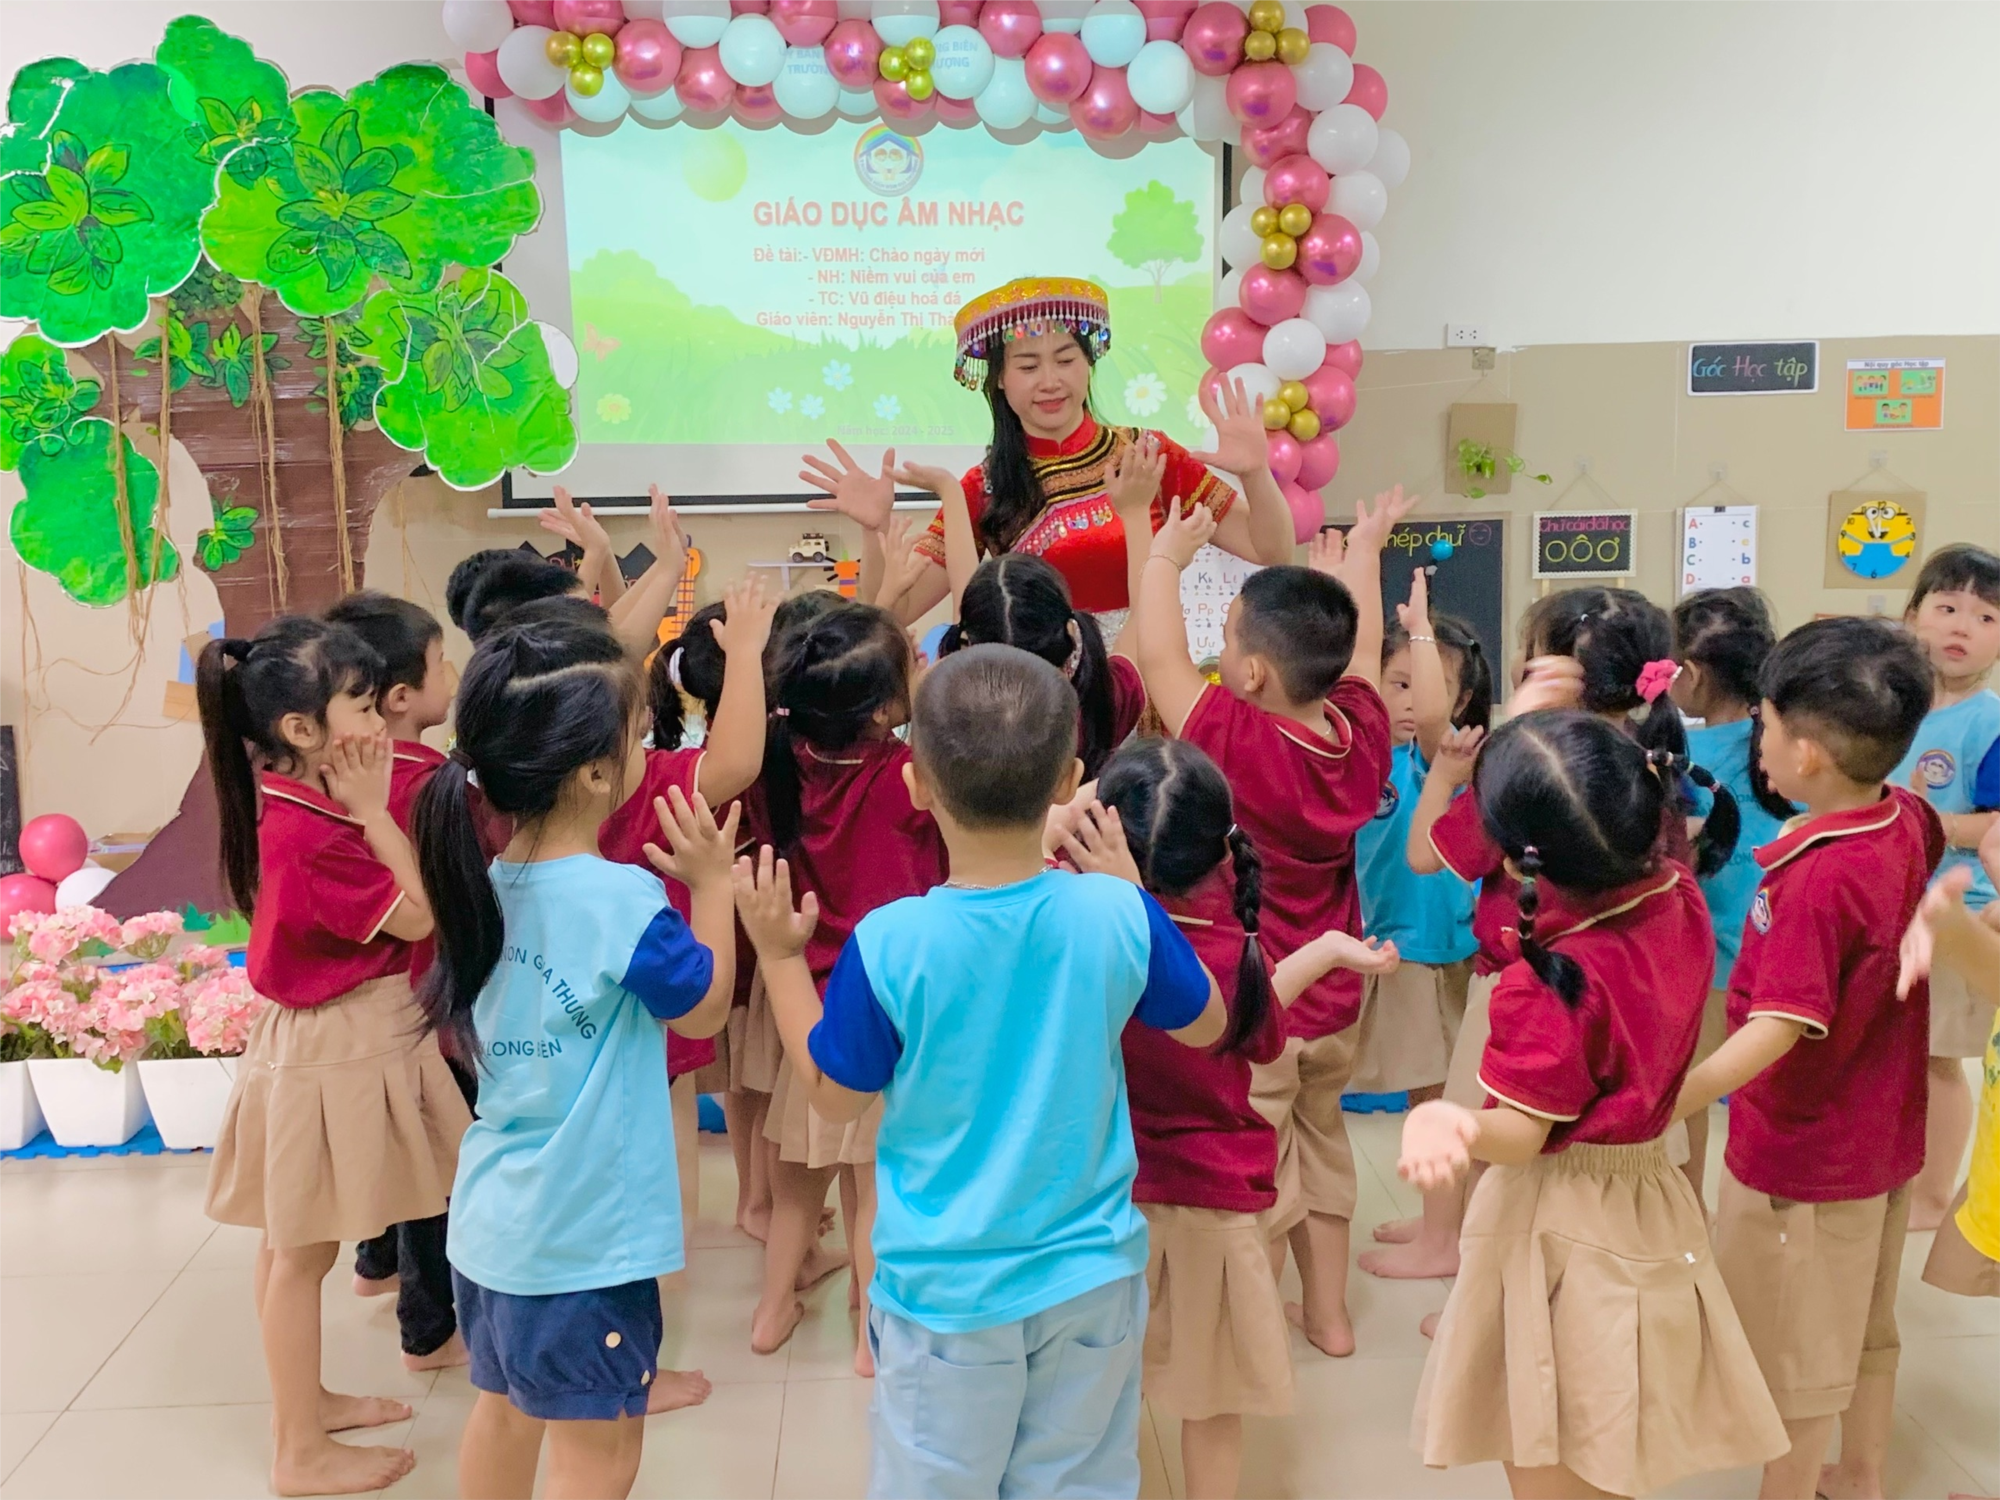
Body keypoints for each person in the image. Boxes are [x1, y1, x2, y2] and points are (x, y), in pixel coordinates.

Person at [733, 644, 1227, 1500]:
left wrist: (780, 959)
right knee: (1079, 1484)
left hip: (945, 1296)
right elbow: (1209, 1023)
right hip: (1091, 1279)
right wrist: (1134, 895)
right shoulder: (1117, 910)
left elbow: (834, 1097)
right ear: (1069, 778)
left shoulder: (890, 944)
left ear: (917, 784)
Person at [1402, 710, 1786, 1500]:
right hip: (1654, 1196)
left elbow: (1523, 1133)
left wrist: (1453, 1120)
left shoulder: (1548, 983)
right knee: (1617, 1432)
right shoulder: (1678, 895)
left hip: (1561, 1214)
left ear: (1513, 859)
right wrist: (1674, 1097)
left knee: (1549, 1439)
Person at [411, 612, 739, 1500]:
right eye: (637, 737)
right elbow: (706, 1006)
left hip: (494, 1226)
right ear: (597, 772)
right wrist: (713, 885)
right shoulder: (618, 900)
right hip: (586, 1240)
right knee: (601, 1455)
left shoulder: (479, 884)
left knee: (502, 1415)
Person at [1070, 737, 1399, 1500]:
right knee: (1212, 1401)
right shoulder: (1226, 944)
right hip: (1213, 1207)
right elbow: (1247, 1023)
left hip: (1103, 1201)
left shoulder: (1083, 935)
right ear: (1223, 851)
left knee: (1100, 1398)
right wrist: (1324, 950)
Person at [1400, 585, 1741, 1304]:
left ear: (1551, 672)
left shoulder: (1538, 773)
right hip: (1628, 1002)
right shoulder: (1648, 766)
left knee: (1503, 1148)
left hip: (1533, 981)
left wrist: (1480, 757)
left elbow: (1427, 854)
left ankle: (1483, 1286)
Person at [1129, 484, 1408, 1359]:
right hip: (1339, 1002)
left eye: (1228, 639)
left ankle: (1249, 1331)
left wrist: (1165, 555)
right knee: (1325, 1149)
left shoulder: (1239, 743)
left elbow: (1159, 658)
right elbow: (1364, 649)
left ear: (1251, 674)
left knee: (1260, 1164)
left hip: (1267, 1002)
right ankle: (1330, 1317)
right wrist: (1363, 556)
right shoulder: (1362, 733)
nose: (1218, 653)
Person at [197, 617, 471, 1496]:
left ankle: (306, 1406)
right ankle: (299, 1450)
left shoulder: (298, 801)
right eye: (361, 705)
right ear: (302, 730)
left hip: (330, 1038)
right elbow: (422, 914)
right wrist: (377, 814)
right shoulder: (319, 830)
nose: (379, 721)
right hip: (333, 1048)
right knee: (301, 1254)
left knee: (293, 1250)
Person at [1672, 614, 1939, 1500]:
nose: (1760, 740)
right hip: (1883, 1137)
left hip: (1805, 1161)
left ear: (1809, 754)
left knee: (1796, 1359)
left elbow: (1777, 1026)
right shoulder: (1906, 818)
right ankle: (1858, 1476)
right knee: (1862, 1327)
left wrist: (1670, 1096)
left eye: (1766, 724)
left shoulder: (1816, 878)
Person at [799, 277, 1295, 630]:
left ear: (1088, 365)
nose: (1051, 381)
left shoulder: (1146, 456)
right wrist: (874, 530)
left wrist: (1256, 474)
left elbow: (1270, 550)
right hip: (1038, 698)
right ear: (999, 379)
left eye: (1065, 359)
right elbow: (892, 613)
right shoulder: (983, 487)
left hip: (1145, 681)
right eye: (1028, 366)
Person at [753, 600, 948, 1370]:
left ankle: (771, 1310)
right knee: (873, 1188)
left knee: (799, 1181)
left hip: (805, 998)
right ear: (883, 709)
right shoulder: (908, 776)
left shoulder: (782, 759)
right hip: (884, 1008)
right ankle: (872, 1336)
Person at [320, 590, 472, 1371]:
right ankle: (430, 1329)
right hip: (432, 1001)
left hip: (381, 1000)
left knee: (401, 1142)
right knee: (435, 1170)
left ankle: (374, 1266)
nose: (454, 674)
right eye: (443, 662)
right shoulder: (431, 782)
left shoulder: (335, 784)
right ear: (401, 697)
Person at [1353, 580, 1493, 1285]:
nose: (1411, 701)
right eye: (1397, 683)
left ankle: (1444, 1239)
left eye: (1429, 686)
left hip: (1438, 952)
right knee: (1424, 1096)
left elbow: (1434, 723)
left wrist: (1418, 631)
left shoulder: (1450, 760)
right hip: (1396, 949)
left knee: (1435, 1102)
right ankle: (1442, 1220)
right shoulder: (1364, 759)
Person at [1668, 587, 1796, 1202]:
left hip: (1708, 960)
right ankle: (1771, 1207)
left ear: (1690, 674)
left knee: (1691, 1087)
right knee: (1768, 1091)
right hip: (1778, 952)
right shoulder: (1784, 743)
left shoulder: (1682, 755)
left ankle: (1690, 1205)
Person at [1893, 544, 2000, 1230]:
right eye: (1948, 607)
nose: (1964, 626)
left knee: (1938, 1061)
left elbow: (1996, 823)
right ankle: (1899, 1175)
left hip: (1961, 916)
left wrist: (1933, 823)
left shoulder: (1989, 722)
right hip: (1888, 906)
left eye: (1987, 617)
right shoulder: (1890, 708)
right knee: (1895, 1056)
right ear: (1912, 617)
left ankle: (1934, 1197)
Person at [939, 552, 1147, 779]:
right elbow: (1143, 616)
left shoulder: (946, 732)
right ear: (1070, 633)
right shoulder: (1101, 706)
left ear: (968, 646)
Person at [462, 485, 690, 660]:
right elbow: (620, 656)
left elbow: (611, 629)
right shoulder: (557, 678)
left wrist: (602, 552)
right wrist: (666, 571)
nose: (569, 603)